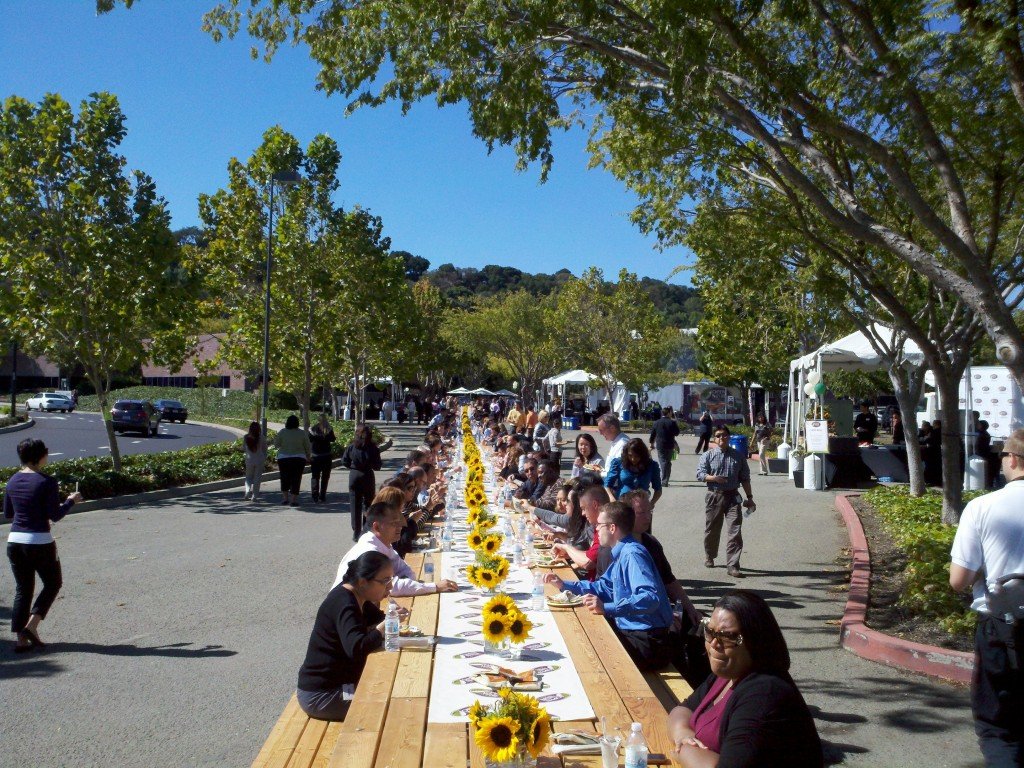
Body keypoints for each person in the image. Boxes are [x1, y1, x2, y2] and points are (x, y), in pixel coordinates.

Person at [668, 590, 823, 768]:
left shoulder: (763, 696)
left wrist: (685, 750)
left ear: (756, 640)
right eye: (710, 632)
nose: (714, 644)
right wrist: (683, 735)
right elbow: (682, 709)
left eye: (728, 637)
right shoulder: (728, 673)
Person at [949, 428, 1024, 767]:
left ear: (1012, 458)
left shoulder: (981, 507)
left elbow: (958, 580)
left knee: (997, 728)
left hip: (1000, 627)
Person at [543, 501, 674, 670]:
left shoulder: (632, 554)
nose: (596, 529)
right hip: (636, 634)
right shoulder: (623, 551)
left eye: (599, 525)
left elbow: (650, 597)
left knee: (587, 651)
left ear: (612, 528)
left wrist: (607, 608)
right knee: (582, 637)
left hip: (649, 642)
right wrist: (564, 584)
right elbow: (603, 587)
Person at [4, 438, 83, 651]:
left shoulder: (11, 481)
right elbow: (55, 515)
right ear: (41, 456)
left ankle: (20, 639)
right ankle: (31, 625)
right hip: (39, 541)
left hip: (14, 542)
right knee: (53, 583)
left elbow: (8, 514)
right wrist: (71, 501)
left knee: (23, 588)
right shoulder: (46, 481)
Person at [297, 551, 392, 721]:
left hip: (337, 685)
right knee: (388, 708)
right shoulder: (345, 604)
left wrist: (389, 618)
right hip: (324, 695)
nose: (389, 587)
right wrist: (385, 626)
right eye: (385, 581)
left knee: (391, 689)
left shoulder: (358, 595)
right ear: (363, 581)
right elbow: (357, 648)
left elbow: (378, 619)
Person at [333, 501, 458, 594]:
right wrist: (434, 587)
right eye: (394, 524)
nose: (400, 527)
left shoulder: (383, 543)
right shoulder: (370, 551)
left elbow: (404, 570)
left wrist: (408, 583)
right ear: (376, 527)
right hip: (346, 610)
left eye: (399, 523)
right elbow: (393, 586)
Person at [696, 427, 755, 578]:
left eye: (724, 435)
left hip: (733, 497)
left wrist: (749, 497)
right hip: (714, 496)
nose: (721, 438)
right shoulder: (707, 455)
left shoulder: (738, 456)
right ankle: (710, 555)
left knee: (735, 531)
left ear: (729, 437)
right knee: (712, 529)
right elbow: (700, 474)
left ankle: (733, 565)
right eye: (718, 436)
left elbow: (745, 478)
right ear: (714, 439)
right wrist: (714, 478)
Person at [341, 424, 385, 540]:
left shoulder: (352, 447)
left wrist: (353, 466)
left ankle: (356, 531)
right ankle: (366, 529)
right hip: (367, 475)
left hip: (354, 474)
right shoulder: (373, 448)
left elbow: (344, 461)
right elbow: (377, 466)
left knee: (354, 503)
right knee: (368, 504)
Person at [605, 438, 663, 509]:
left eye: (637, 456)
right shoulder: (618, 463)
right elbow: (607, 485)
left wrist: (652, 503)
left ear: (643, 455)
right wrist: (612, 499)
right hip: (622, 506)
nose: (633, 459)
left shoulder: (652, 465)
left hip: (642, 506)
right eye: (630, 455)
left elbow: (658, 489)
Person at [275, 414, 311, 505]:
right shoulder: (301, 433)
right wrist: (308, 456)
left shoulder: (282, 432)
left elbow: (276, 444)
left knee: (284, 477)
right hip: (299, 458)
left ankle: (285, 498)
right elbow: (307, 446)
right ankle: (293, 500)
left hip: (283, 458)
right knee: (296, 478)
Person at [308, 413, 336, 503]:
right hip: (326, 455)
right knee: (325, 477)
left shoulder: (312, 429)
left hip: (315, 456)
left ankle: (315, 495)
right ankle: (322, 495)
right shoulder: (329, 429)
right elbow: (333, 439)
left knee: (315, 476)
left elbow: (310, 439)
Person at [649, 407, 681, 485]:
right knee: (668, 462)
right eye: (671, 412)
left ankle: (664, 480)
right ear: (669, 413)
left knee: (663, 462)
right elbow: (677, 433)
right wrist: (674, 422)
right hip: (670, 445)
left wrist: (652, 444)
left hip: (660, 445)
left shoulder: (656, 422)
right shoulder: (672, 422)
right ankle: (665, 480)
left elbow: (652, 434)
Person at [597, 413, 629, 478]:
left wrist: (599, 473)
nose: (600, 433)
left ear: (612, 428)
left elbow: (617, 472)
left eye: (601, 430)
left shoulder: (622, 445)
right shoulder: (616, 442)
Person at [242, 421, 268, 502]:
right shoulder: (261, 437)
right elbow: (265, 449)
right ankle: (254, 496)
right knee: (257, 478)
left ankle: (247, 492)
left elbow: (243, 448)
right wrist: (264, 456)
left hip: (249, 459)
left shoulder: (246, 437)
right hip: (259, 459)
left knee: (248, 477)